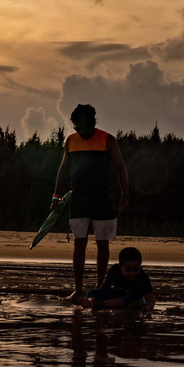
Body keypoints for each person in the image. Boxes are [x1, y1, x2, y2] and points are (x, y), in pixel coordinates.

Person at [52, 103, 129, 304]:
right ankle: (78, 290)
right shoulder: (70, 141)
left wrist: (124, 195)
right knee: (79, 244)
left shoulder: (108, 139)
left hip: (104, 200)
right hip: (78, 200)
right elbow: (62, 170)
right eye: (76, 126)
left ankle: (100, 289)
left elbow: (121, 168)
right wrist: (55, 196)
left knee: (103, 245)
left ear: (92, 123)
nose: (79, 130)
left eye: (82, 126)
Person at [85, 246, 155, 311]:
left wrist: (148, 306)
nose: (132, 274)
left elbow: (150, 297)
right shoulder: (115, 270)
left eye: (135, 270)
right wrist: (97, 295)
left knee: (134, 297)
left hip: (132, 299)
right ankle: (92, 302)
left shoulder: (143, 277)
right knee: (92, 292)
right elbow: (104, 287)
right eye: (128, 270)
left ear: (140, 266)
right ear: (121, 267)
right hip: (116, 294)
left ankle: (102, 304)